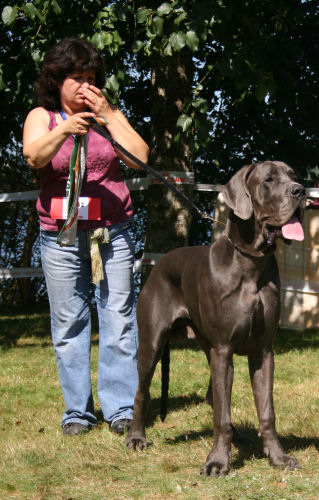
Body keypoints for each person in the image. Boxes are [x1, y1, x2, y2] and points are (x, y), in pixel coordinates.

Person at [23, 38, 149, 436]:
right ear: (57, 81)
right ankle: (77, 412)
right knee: (69, 324)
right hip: (60, 236)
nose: (85, 86)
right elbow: (34, 156)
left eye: (91, 78)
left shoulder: (109, 116)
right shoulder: (42, 117)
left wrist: (109, 115)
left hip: (114, 231)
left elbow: (141, 157)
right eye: (76, 78)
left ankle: (121, 409)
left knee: (118, 319)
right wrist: (65, 131)